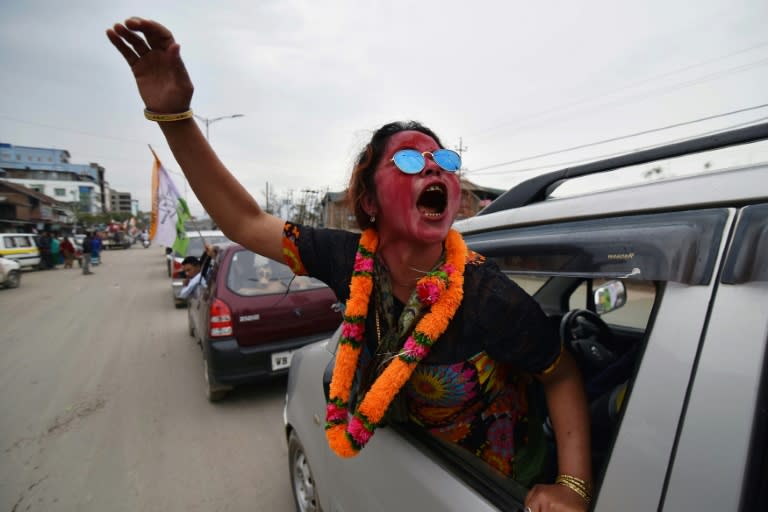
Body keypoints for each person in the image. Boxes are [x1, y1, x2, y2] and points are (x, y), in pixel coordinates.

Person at [107, 18, 592, 512]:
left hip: (498, 487)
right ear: (368, 199)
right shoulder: (348, 259)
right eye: (407, 160)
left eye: (442, 159)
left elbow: (561, 374)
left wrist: (572, 487)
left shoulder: (487, 295)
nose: (432, 166)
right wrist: (176, 118)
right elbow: (244, 221)